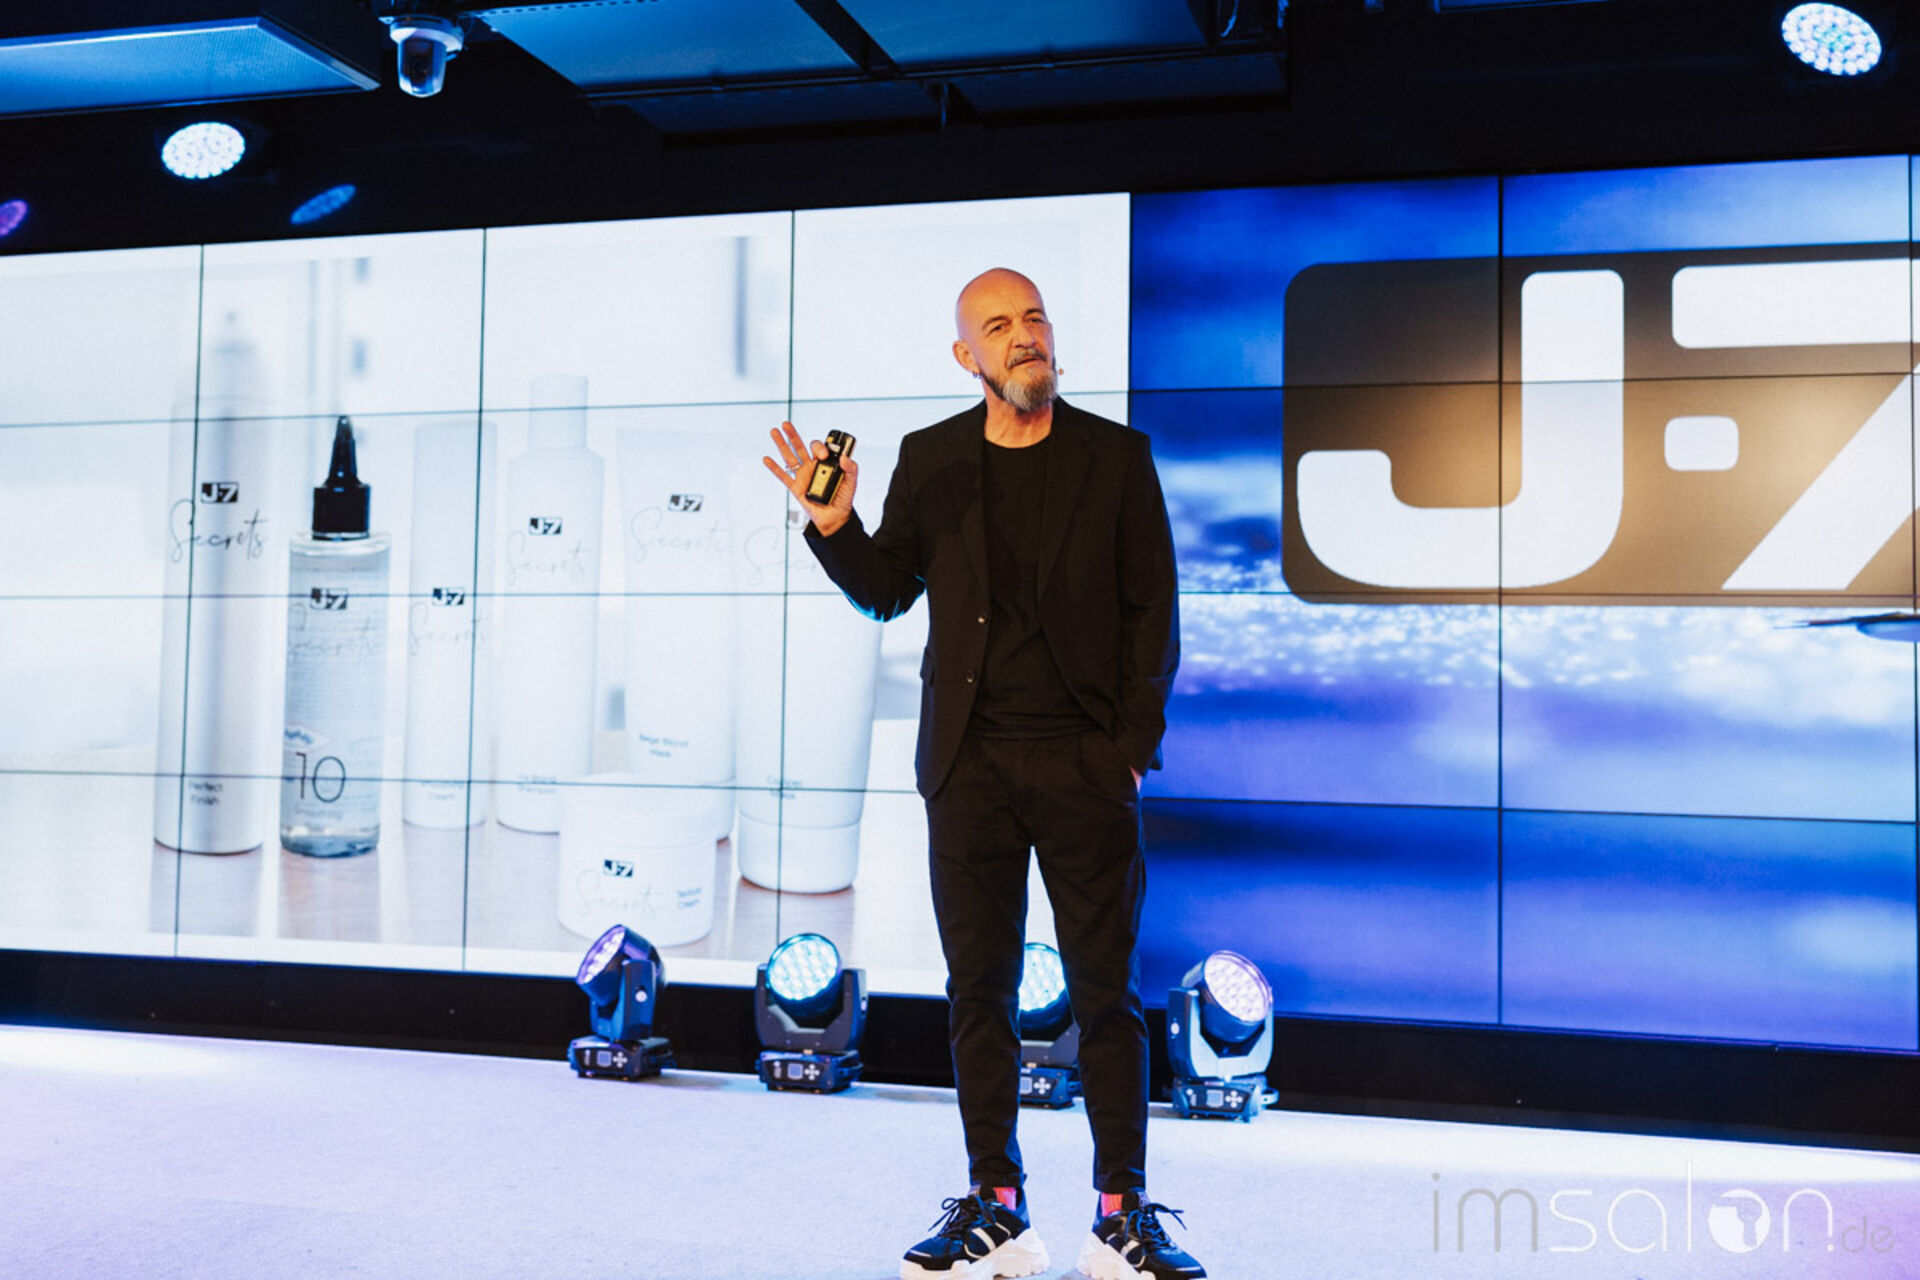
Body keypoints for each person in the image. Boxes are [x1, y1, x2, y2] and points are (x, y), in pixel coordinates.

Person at [763, 268, 1199, 1280]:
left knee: (1105, 994)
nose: (1024, 335)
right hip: (968, 764)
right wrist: (835, 523)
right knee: (978, 992)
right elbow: (886, 592)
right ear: (968, 356)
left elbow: (1155, 615)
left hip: (1085, 763)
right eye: (999, 326)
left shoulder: (1116, 457)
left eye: (1034, 317)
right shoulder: (933, 457)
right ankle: (998, 1206)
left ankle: (1122, 1212)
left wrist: (1127, 753)